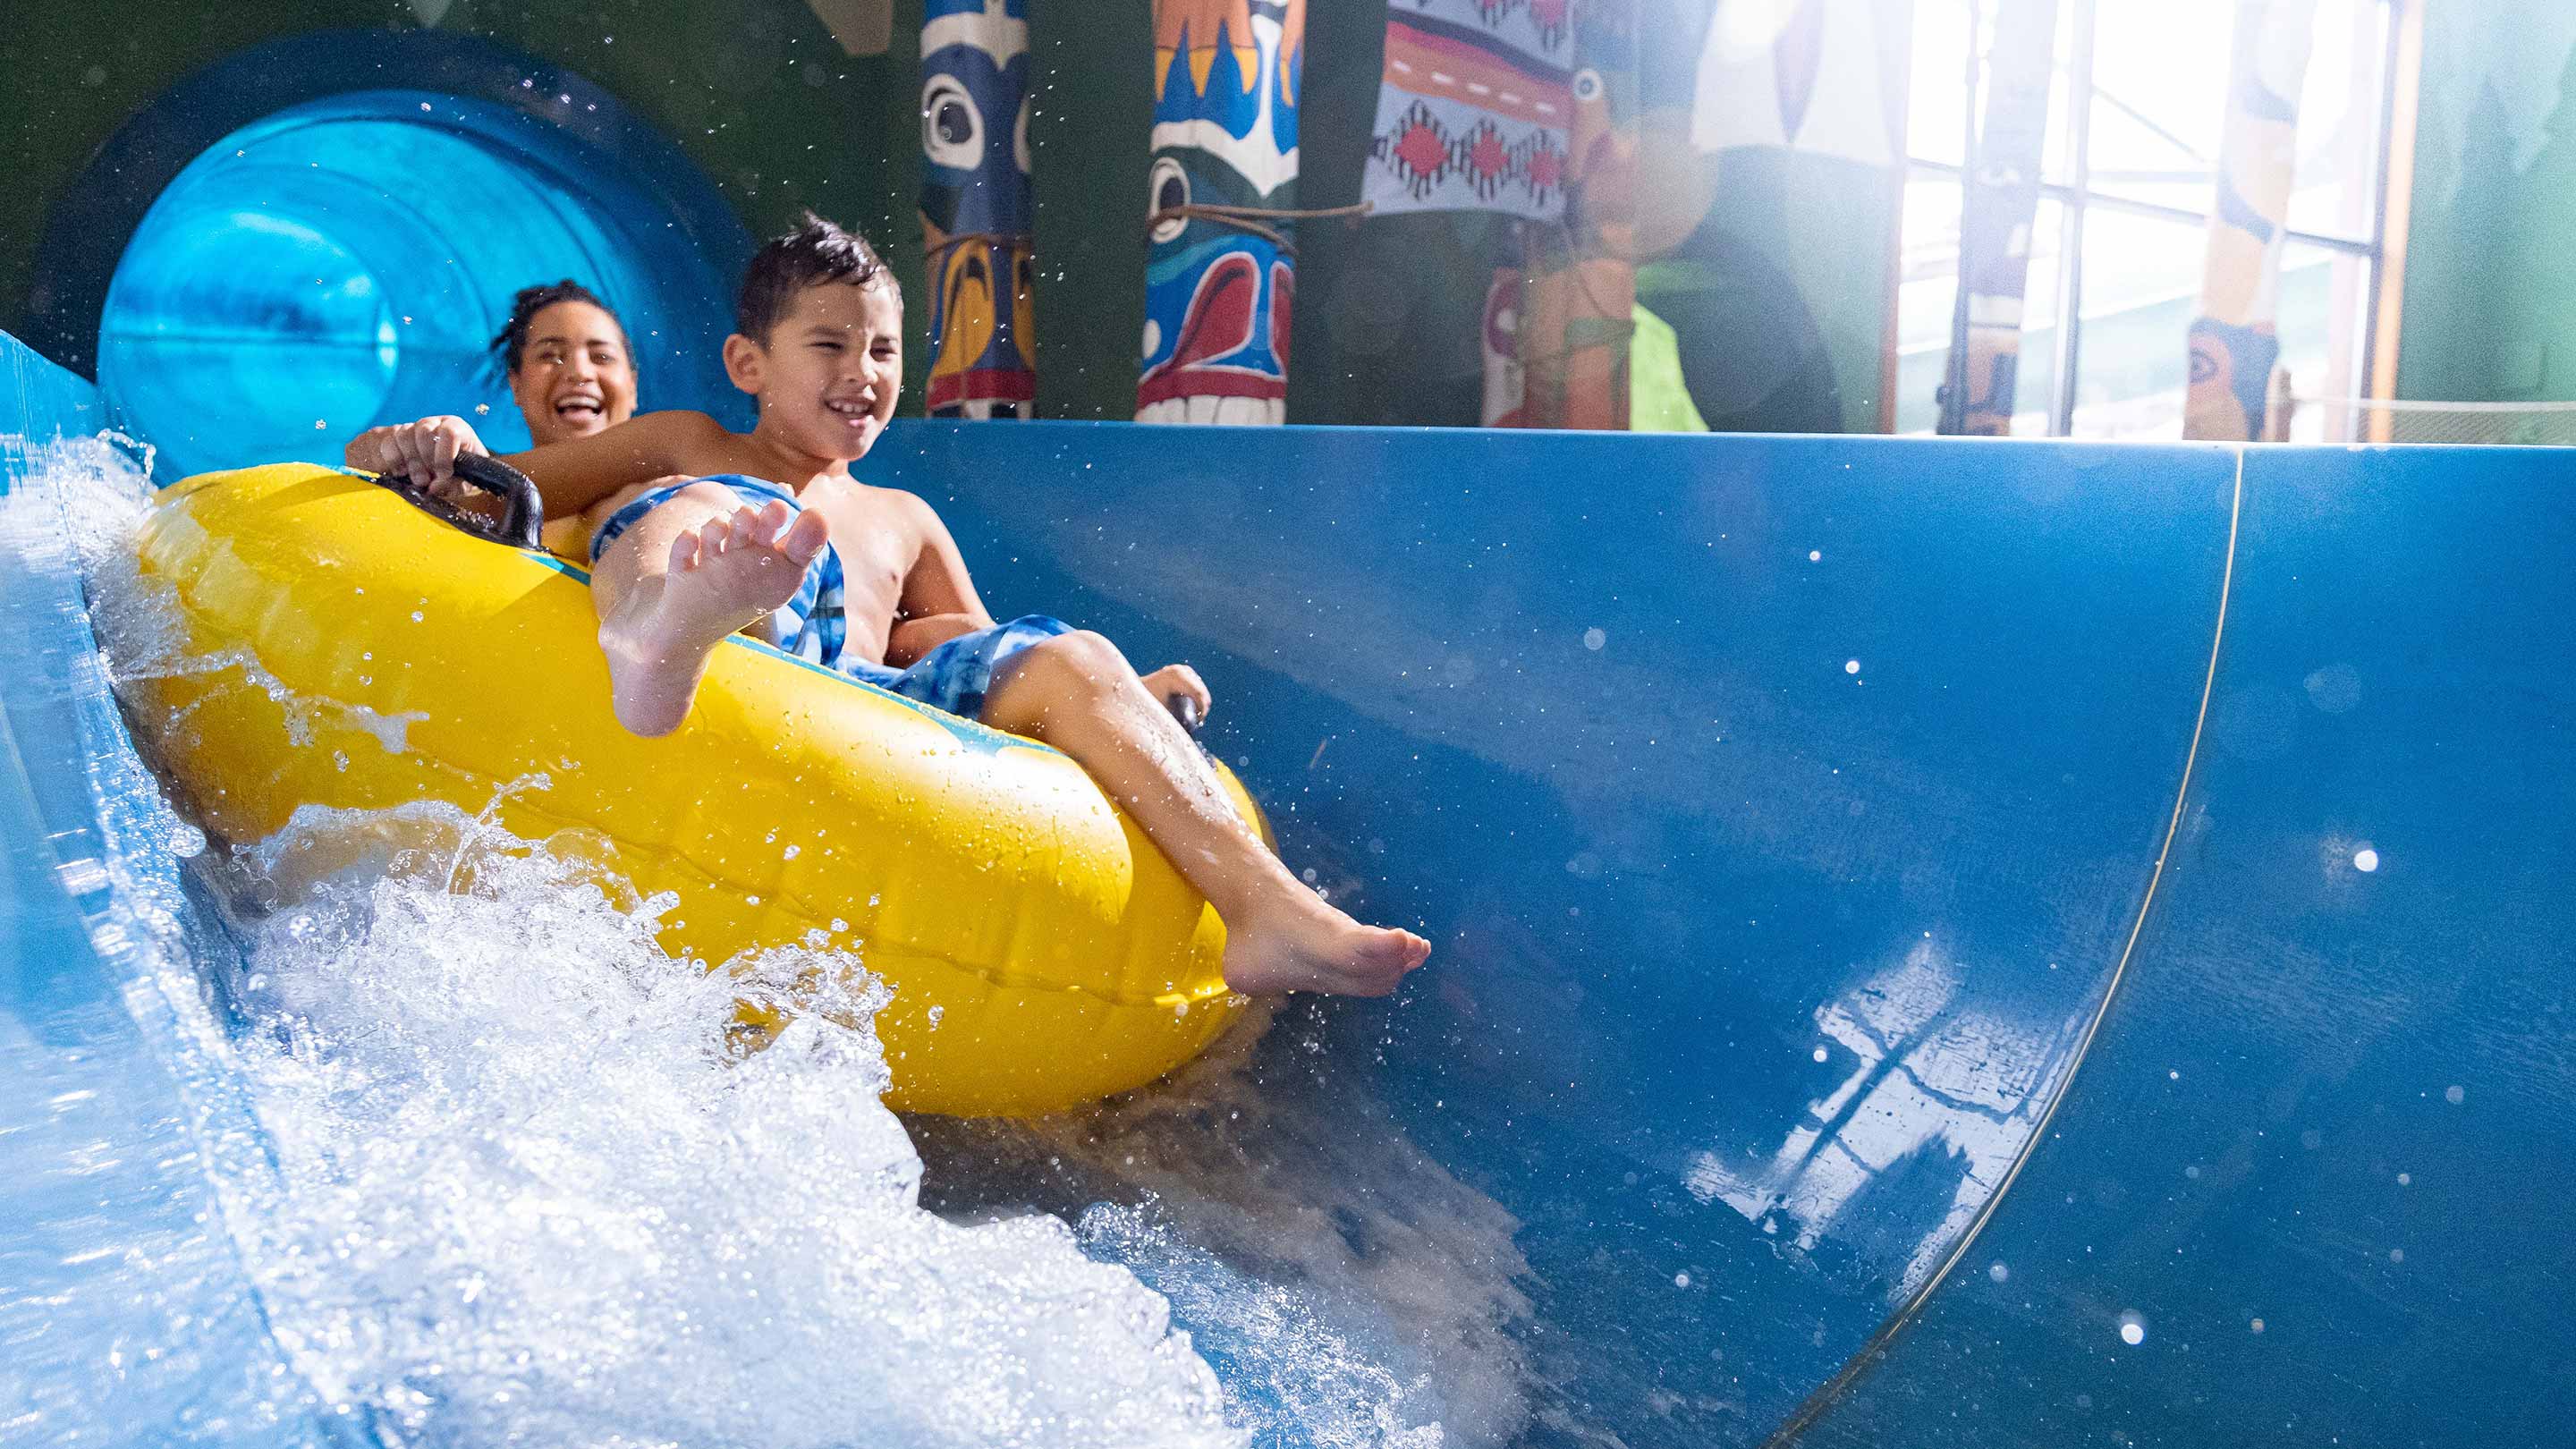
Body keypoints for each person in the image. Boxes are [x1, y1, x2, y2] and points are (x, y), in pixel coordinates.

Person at [346, 216, 1428, 999]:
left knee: (1072, 650)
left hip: (859, 697)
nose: (863, 371)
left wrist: (1116, 690)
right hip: (731, 643)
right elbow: (504, 490)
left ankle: (1267, 908)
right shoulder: (694, 442)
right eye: (830, 345)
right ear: (749, 364)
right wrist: (415, 448)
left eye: (881, 349)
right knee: (711, 510)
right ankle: (662, 628)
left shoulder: (903, 516)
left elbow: (976, 649)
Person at [493, 280, 638, 446]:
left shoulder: (672, 464)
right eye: (551, 356)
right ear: (516, 384)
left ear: (632, 387)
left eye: (602, 356)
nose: (580, 372)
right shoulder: (470, 468)